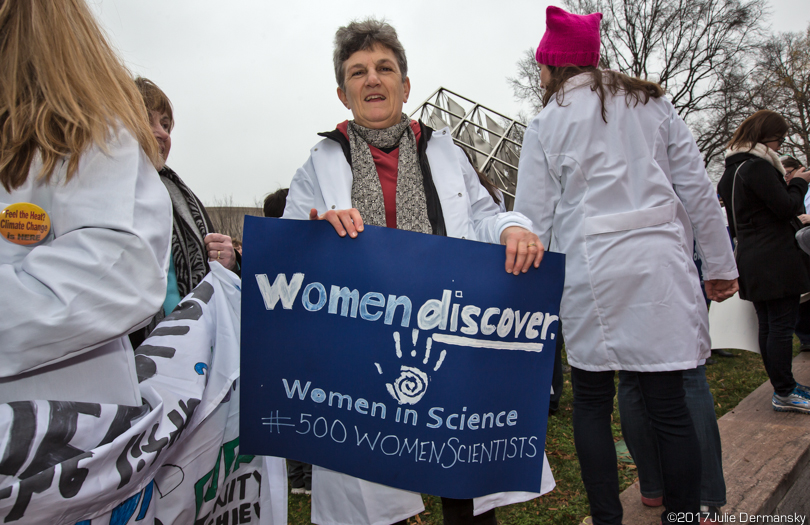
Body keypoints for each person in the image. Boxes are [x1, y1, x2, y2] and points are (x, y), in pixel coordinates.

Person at [283, 17, 554, 525]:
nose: (372, 79)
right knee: (370, 482)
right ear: (343, 93)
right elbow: (288, 253)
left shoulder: (445, 150)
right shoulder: (318, 164)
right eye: (358, 72)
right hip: (361, 340)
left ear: (405, 85)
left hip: (443, 328)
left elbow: (483, 214)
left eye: (384, 68)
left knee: (463, 481)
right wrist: (315, 235)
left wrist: (512, 228)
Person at [513, 7, 738, 525]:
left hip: (593, 274)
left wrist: (531, 296)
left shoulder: (547, 122)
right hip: (658, 268)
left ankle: (607, 518)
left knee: (592, 401)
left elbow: (532, 219)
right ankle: (682, 516)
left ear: (551, 66)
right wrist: (720, 265)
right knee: (669, 405)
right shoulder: (653, 105)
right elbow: (699, 192)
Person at [0, 0, 171, 405]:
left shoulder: (87, 136)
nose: (160, 133)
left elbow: (123, 268)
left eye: (166, 123)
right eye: (154, 121)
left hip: (56, 428)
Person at [129, 77, 238, 347]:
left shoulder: (184, 199)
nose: (162, 133)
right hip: (130, 357)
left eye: (165, 125)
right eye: (147, 121)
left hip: (192, 352)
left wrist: (231, 263)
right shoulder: (98, 196)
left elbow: (222, 281)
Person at [717, 110, 810, 413]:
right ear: (764, 136)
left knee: (769, 326)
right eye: (779, 139)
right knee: (780, 327)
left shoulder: (730, 172)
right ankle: (784, 391)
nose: (780, 147)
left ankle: (783, 387)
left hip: (751, 256)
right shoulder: (757, 168)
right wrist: (798, 182)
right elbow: (787, 208)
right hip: (776, 258)